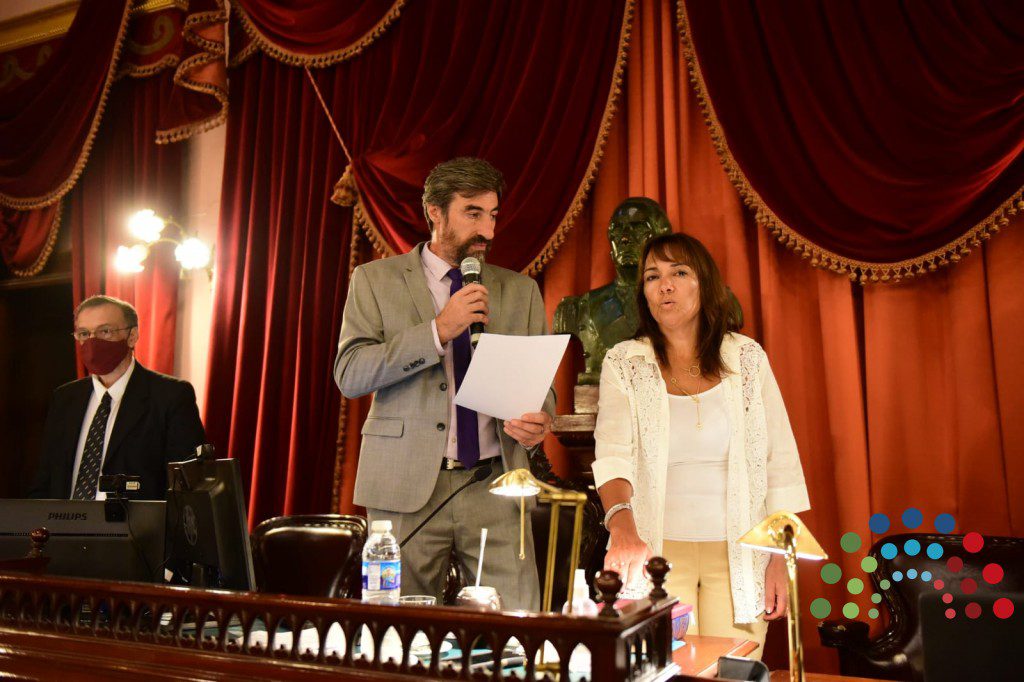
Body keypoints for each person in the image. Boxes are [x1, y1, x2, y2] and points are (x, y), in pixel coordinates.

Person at [334, 157, 554, 610]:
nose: (487, 230)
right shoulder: (374, 280)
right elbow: (351, 373)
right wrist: (437, 331)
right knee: (398, 631)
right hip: (404, 488)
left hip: (495, 485)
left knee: (517, 626)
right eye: (473, 213)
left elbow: (541, 386)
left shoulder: (521, 291)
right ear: (434, 212)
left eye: (492, 215)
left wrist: (539, 418)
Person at [592, 232, 809, 655]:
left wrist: (781, 558)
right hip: (654, 554)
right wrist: (622, 530)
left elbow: (779, 461)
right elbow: (612, 454)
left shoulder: (746, 357)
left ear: (704, 284)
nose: (664, 285)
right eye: (652, 276)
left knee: (735, 672)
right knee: (660, 671)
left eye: (679, 273)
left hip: (742, 555)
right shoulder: (624, 361)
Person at [29, 295, 206, 501]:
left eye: (105, 331)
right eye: (84, 333)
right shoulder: (64, 398)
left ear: (132, 336)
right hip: (66, 520)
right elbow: (45, 478)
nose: (92, 342)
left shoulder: (171, 396)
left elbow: (185, 487)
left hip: (135, 521)